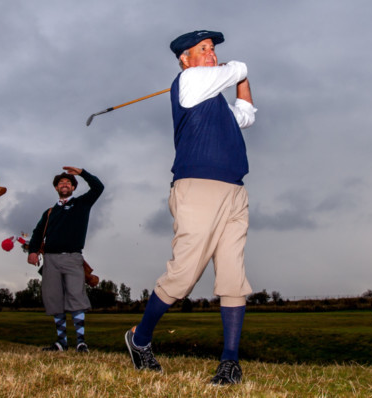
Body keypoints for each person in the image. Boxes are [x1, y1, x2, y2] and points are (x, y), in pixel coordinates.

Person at [124, 30, 257, 385]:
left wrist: (242, 78)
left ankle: (230, 362)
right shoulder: (189, 80)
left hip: (234, 190)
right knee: (183, 274)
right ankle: (139, 339)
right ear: (185, 59)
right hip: (197, 186)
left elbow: (246, 114)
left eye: (214, 50)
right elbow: (238, 67)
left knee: (233, 276)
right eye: (204, 49)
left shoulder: (213, 97)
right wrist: (238, 69)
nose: (212, 54)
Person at [27, 167, 104, 353]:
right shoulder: (49, 212)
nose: (64, 185)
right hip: (50, 260)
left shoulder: (82, 204)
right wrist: (33, 251)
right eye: (61, 183)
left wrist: (82, 173)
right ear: (56, 188)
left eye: (68, 183)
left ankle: (81, 343)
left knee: (76, 297)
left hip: (73, 257)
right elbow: (38, 233)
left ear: (73, 187)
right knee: (54, 299)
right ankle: (61, 343)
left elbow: (98, 187)